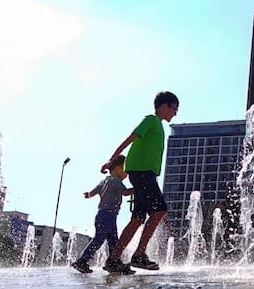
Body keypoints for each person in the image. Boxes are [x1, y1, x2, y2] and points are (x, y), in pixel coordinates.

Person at [100, 91, 179, 273]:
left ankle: (113, 260)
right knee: (160, 210)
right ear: (165, 106)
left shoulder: (158, 125)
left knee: (137, 219)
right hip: (142, 174)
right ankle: (139, 254)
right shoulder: (151, 120)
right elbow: (131, 137)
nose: (175, 113)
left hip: (144, 175)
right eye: (174, 109)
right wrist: (112, 160)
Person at [71, 155, 133, 274]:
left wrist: (87, 195)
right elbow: (125, 193)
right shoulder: (116, 181)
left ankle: (114, 262)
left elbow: (92, 193)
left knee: (113, 241)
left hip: (102, 214)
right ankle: (82, 261)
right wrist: (138, 189)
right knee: (100, 239)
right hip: (108, 215)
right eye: (124, 168)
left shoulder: (104, 181)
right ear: (117, 169)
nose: (126, 172)